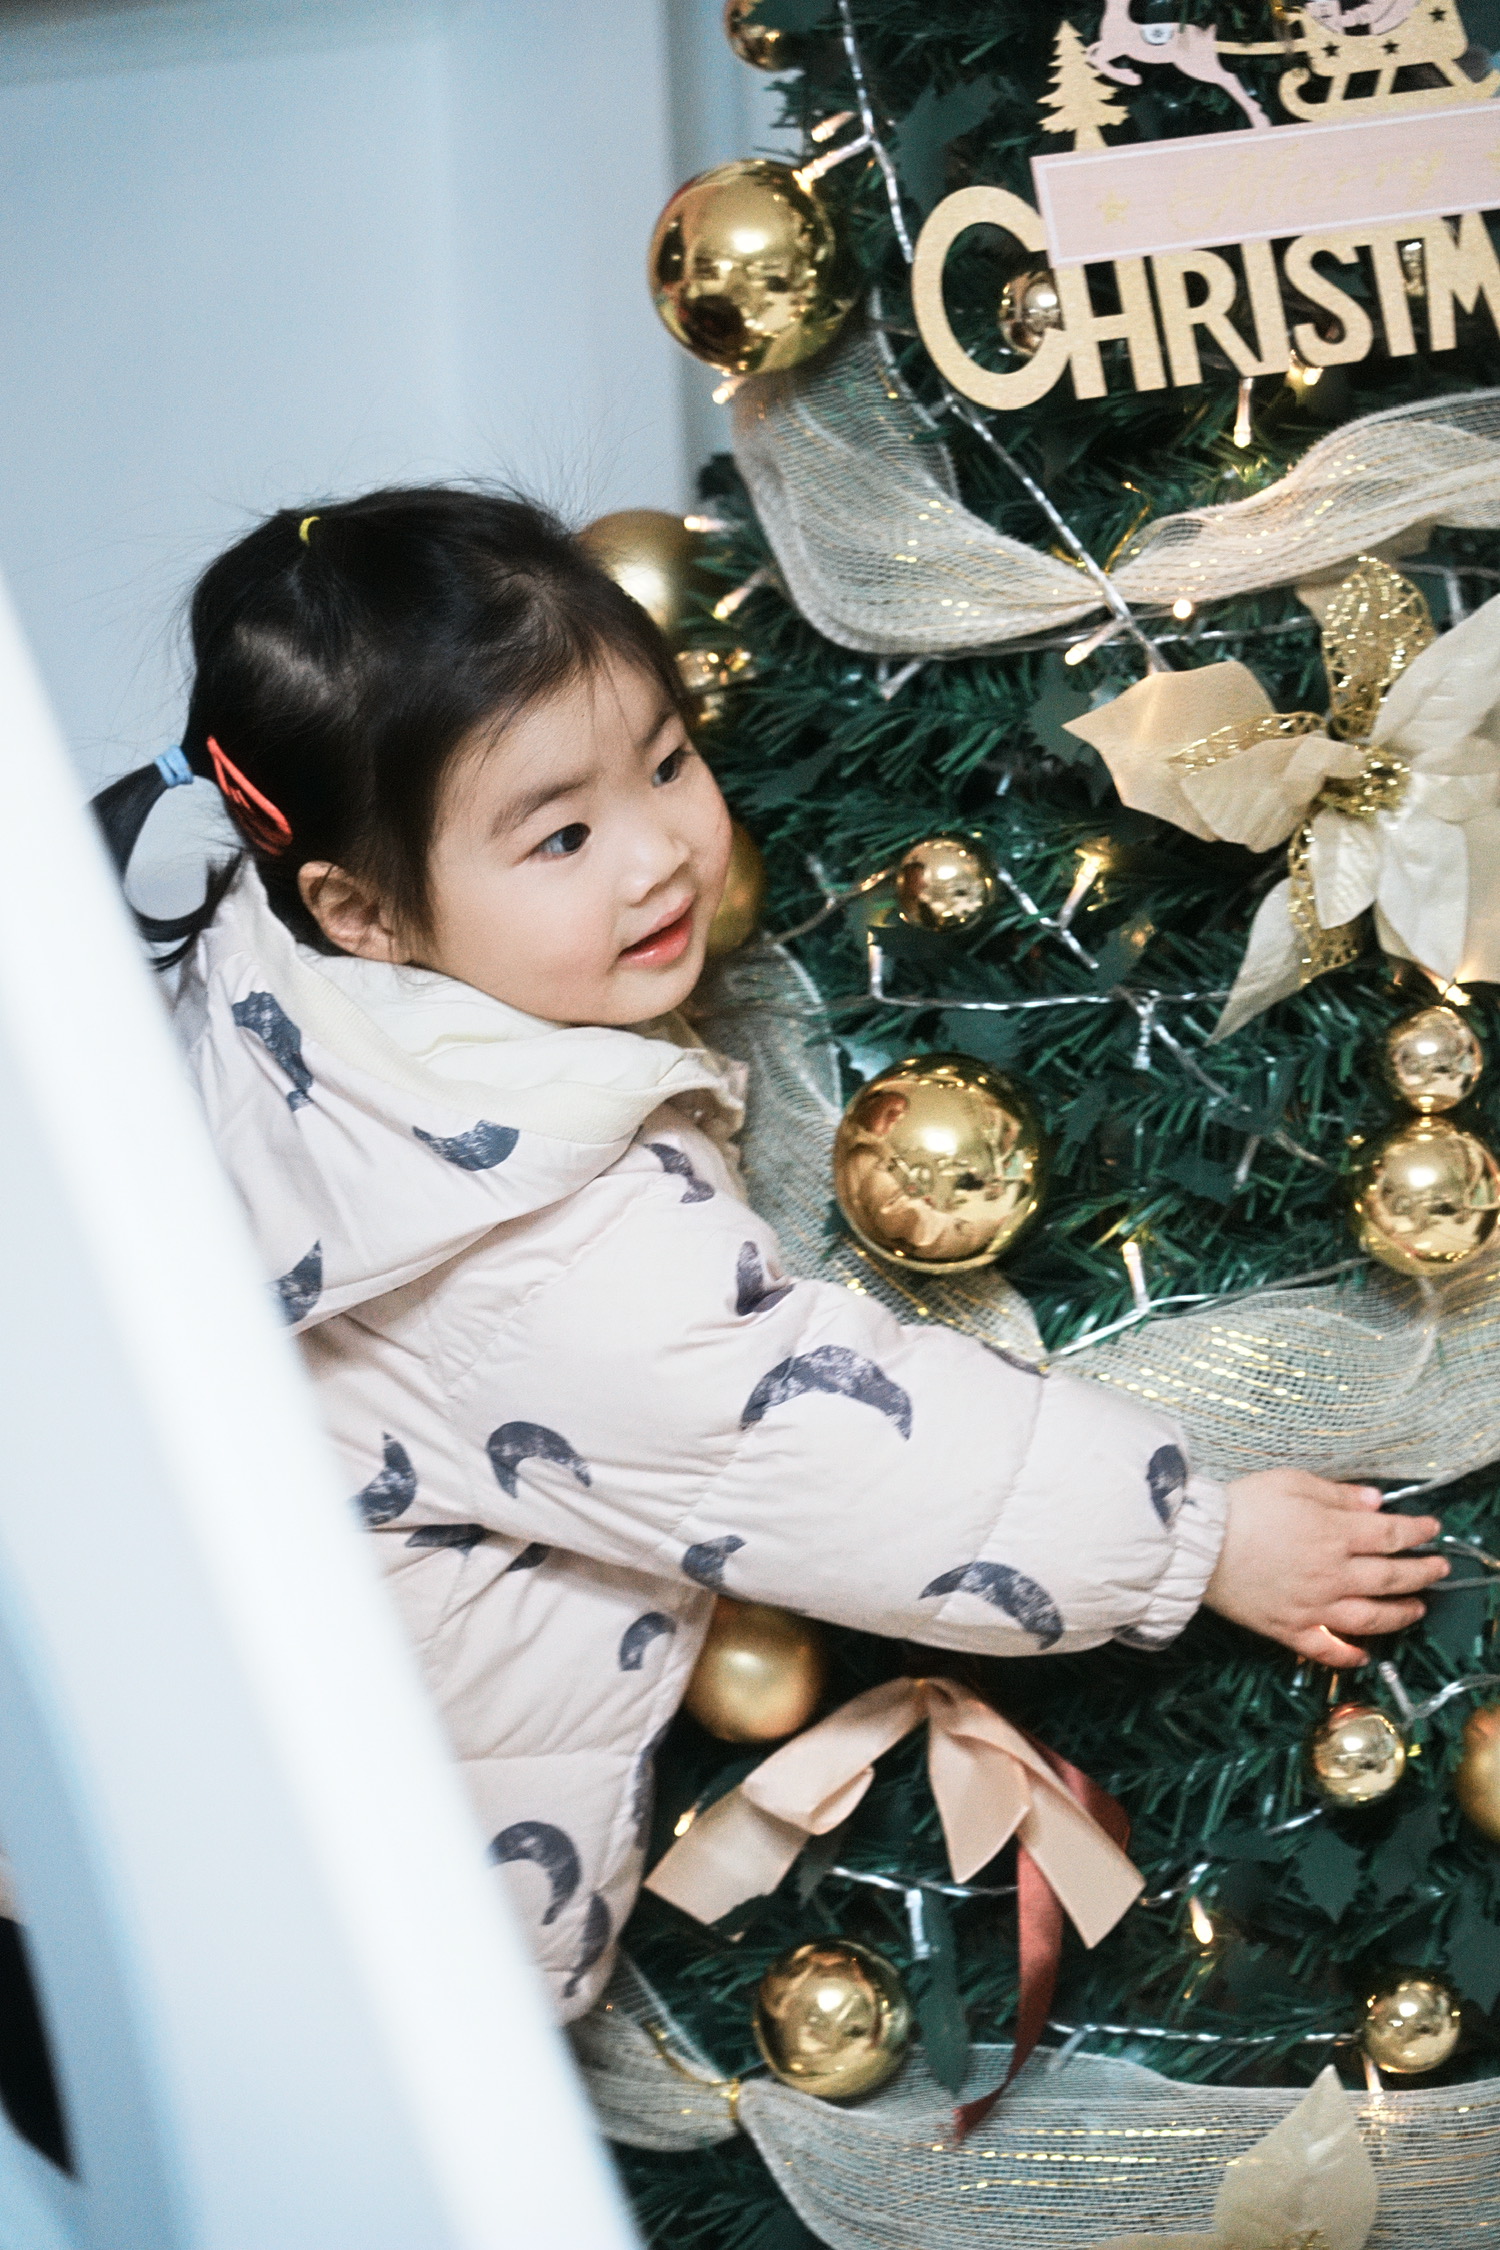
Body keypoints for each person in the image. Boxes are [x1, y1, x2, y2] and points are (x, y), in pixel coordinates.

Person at [92, 488, 1448, 2020]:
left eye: (668, 758)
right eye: (561, 834)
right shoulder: (527, 1252)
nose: (661, 853)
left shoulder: (280, 987)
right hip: (321, 1949)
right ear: (362, 908)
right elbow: (816, 1436)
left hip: (175, 1851)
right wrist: (1196, 1540)